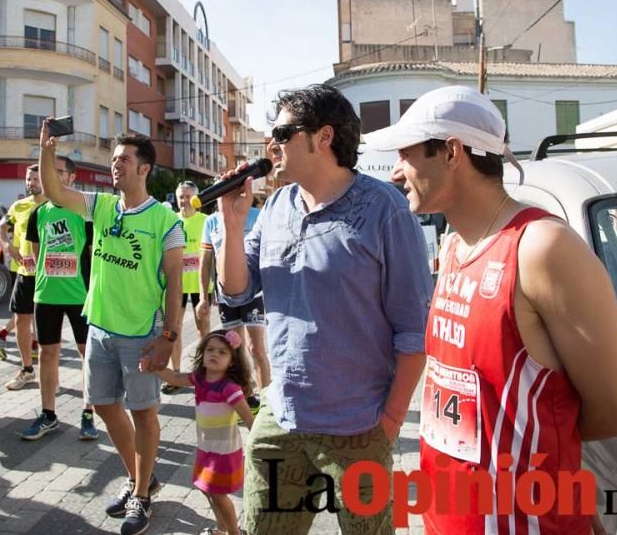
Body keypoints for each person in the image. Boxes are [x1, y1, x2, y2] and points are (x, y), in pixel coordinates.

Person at [364, 85, 617, 534]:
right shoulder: (452, 246)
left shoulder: (543, 248)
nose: (396, 172)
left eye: (406, 155)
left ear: (452, 152)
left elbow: (614, 411)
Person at [216, 84, 433, 534]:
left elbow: (414, 333)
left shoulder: (385, 210)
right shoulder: (276, 205)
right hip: (282, 416)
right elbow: (236, 294)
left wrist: (389, 423)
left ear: (323, 137)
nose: (271, 144)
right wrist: (232, 226)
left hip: (357, 426)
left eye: (282, 131)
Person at [38, 125, 184, 535]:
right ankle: (143, 478)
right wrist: (46, 149)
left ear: (144, 169)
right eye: (114, 158)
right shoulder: (102, 206)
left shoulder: (165, 220)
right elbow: (54, 192)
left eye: (124, 159)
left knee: (143, 414)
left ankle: (141, 494)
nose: (115, 165)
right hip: (99, 328)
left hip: (142, 334)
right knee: (104, 406)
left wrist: (169, 337)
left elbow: (175, 283)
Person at [19, 155, 98, 441]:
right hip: (46, 295)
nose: (50, 177)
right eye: (47, 172)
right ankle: (48, 414)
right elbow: (38, 253)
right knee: (48, 354)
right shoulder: (38, 214)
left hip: (81, 295)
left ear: (72, 177)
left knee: (86, 355)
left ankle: (88, 413)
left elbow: (93, 253)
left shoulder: (85, 213)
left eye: (58, 172)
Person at [157, 329, 255, 535]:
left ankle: (234, 532)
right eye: (210, 350)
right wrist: (154, 367)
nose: (215, 355)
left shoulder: (229, 388)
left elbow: (248, 418)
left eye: (222, 352)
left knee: (217, 494)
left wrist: (259, 445)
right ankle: (222, 528)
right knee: (206, 488)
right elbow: (174, 377)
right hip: (206, 448)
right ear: (202, 354)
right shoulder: (199, 379)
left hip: (224, 452)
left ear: (232, 361)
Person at [199, 205, 270, 413]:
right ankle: (245, 398)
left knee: (255, 348)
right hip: (225, 295)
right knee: (235, 350)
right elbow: (205, 263)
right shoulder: (211, 221)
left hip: (254, 292)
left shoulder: (257, 215)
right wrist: (204, 296)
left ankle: (266, 404)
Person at [0, 166, 45, 389]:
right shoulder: (20, 206)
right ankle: (26, 369)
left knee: (45, 326)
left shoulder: (56, 204)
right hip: (25, 273)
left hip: (51, 276)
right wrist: (6, 245)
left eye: (36, 178)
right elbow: (1, 226)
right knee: (22, 321)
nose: (31, 182)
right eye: (28, 179)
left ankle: (50, 371)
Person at [162, 181, 211, 394]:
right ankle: (175, 374)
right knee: (175, 329)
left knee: (203, 330)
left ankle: (207, 374)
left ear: (196, 198)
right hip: (177, 284)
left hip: (201, 285)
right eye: (180, 196)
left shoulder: (206, 221)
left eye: (188, 196)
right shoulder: (171, 220)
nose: (184, 201)